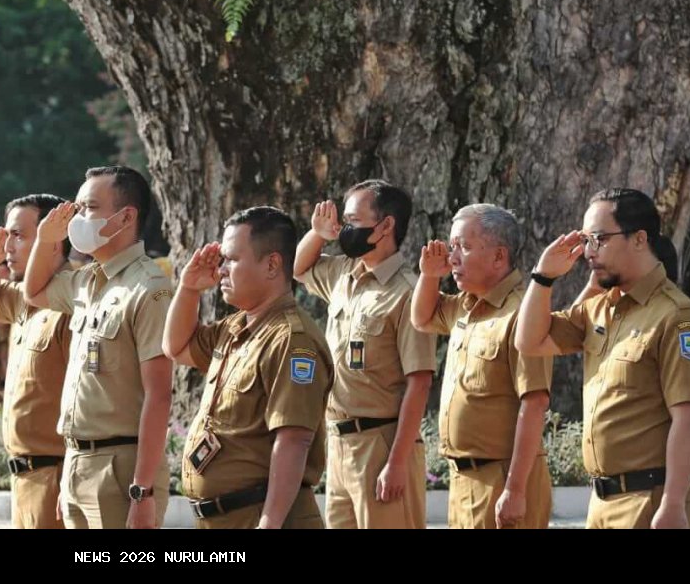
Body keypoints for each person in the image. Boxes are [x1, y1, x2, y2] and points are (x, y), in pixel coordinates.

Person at [516, 188, 690, 528]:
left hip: (651, 500)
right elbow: (529, 341)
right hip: (602, 503)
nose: (588, 252)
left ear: (639, 239)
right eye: (585, 240)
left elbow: (688, 416)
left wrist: (674, 504)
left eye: (598, 239)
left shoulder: (675, 315)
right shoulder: (599, 309)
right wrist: (543, 277)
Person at [22, 165, 172, 529]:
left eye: (89, 207)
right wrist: (46, 240)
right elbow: (35, 291)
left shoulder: (149, 288)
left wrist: (143, 490)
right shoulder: (88, 282)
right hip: (77, 461)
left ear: (126, 217)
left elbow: (159, 396)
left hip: (120, 467)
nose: (77, 217)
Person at [164, 207, 332, 528]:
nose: (222, 269)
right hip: (225, 516)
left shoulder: (292, 340)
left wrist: (269, 523)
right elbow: (177, 347)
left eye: (231, 259)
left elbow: (293, 440)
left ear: (271, 264)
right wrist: (188, 289)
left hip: (260, 515)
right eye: (221, 260)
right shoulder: (236, 327)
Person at [293, 181, 436, 528]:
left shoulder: (407, 292)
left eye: (354, 220)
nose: (346, 229)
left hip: (381, 442)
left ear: (385, 225)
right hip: (340, 443)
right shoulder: (346, 273)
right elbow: (299, 269)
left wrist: (398, 462)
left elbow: (419, 383)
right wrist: (317, 234)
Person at [411, 204, 552, 528]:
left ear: (499, 257)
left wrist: (515, 489)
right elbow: (422, 318)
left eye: (464, 246)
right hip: (463, 479)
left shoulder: (522, 313)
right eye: (452, 247)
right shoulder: (466, 305)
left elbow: (534, 403)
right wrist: (430, 276)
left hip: (501, 478)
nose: (453, 257)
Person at [0, 194, 72, 529]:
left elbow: (84, 399)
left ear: (53, 242)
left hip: (56, 474)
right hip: (25, 477)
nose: (9, 246)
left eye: (19, 235)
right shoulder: (24, 300)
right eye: (8, 235)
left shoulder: (72, 301)